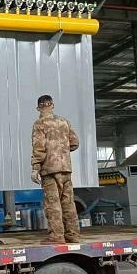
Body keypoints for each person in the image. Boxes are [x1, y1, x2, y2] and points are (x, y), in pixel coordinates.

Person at [31, 95, 80, 244]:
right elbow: (75, 143)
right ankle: (72, 235)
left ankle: (57, 236)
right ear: (52, 105)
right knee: (68, 203)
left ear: (38, 108)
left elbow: (39, 147)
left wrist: (35, 168)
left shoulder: (39, 124)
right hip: (66, 168)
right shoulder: (64, 122)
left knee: (53, 204)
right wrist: (61, 151)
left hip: (50, 170)